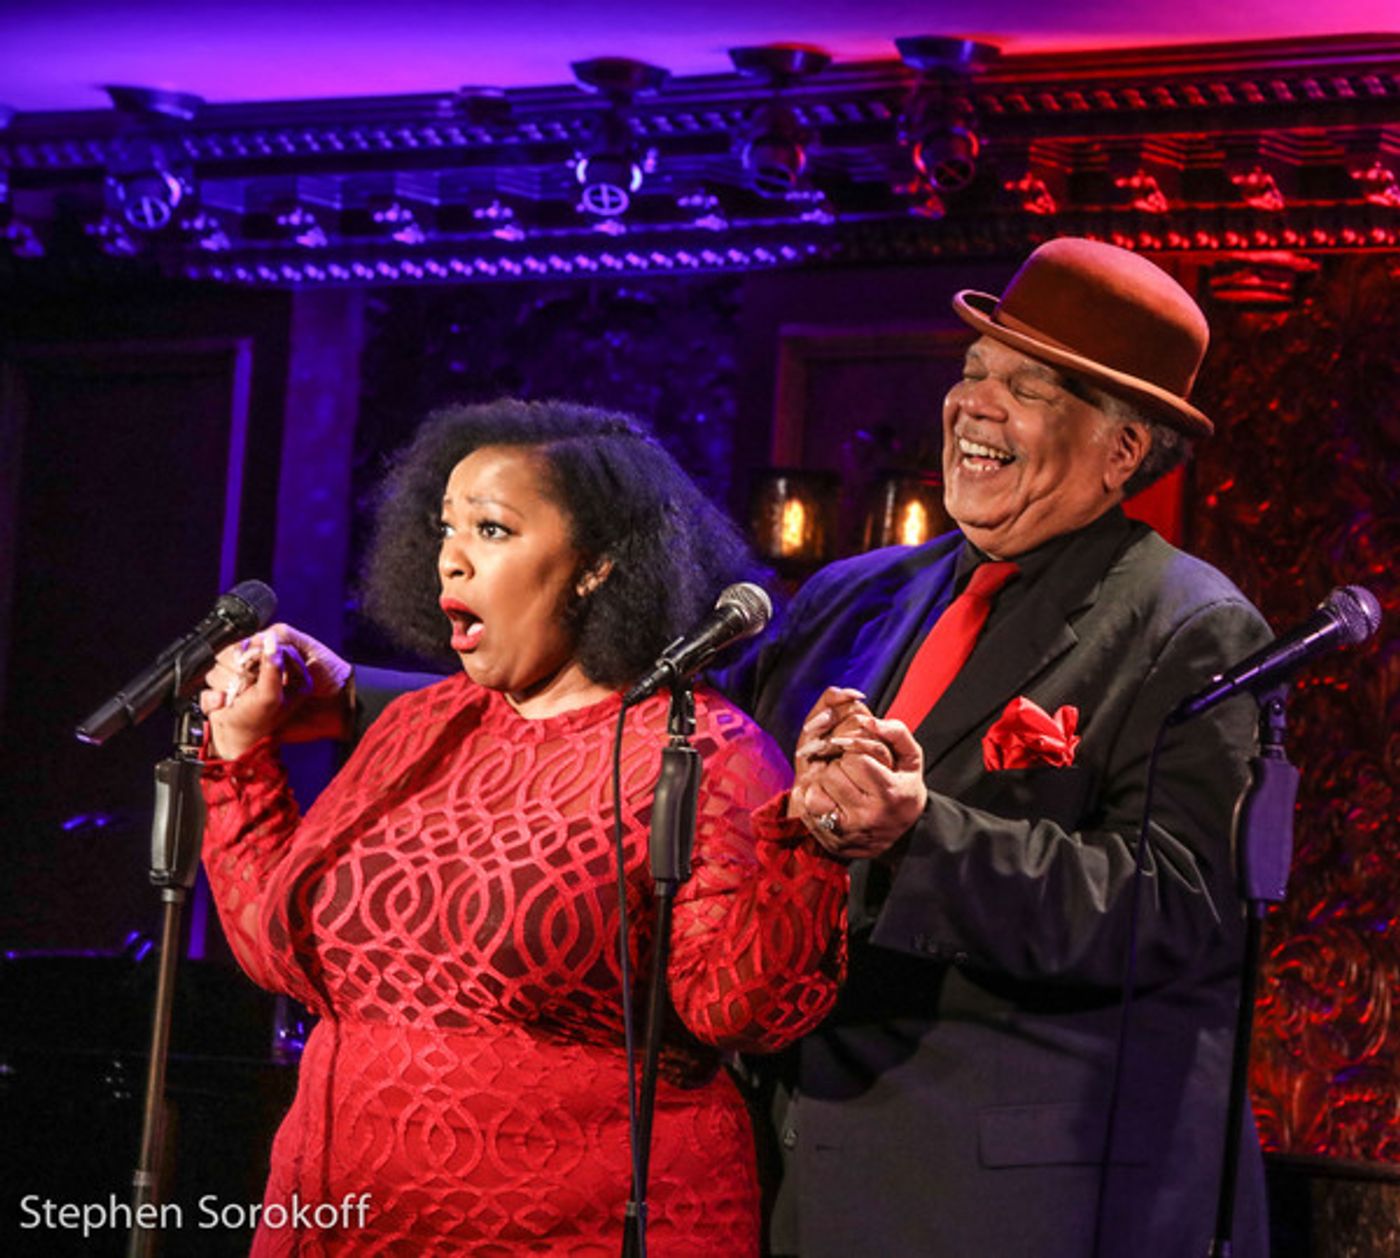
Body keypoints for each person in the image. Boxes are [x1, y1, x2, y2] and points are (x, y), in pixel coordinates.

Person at [718, 237, 1273, 1256]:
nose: (973, 403)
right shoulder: (853, 595)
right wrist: (360, 699)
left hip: (1008, 1203)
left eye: (1025, 387)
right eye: (971, 369)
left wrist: (918, 835)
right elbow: (693, 751)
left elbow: (1180, 908)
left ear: (1121, 450)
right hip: (786, 1168)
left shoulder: (1188, 628)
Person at [197, 398, 848, 1255]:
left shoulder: (701, 755)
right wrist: (240, 764)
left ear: (596, 566)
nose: (452, 560)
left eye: (494, 530)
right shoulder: (414, 727)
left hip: (572, 1231)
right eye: (445, 527)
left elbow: (745, 1014)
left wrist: (814, 841)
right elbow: (286, 956)